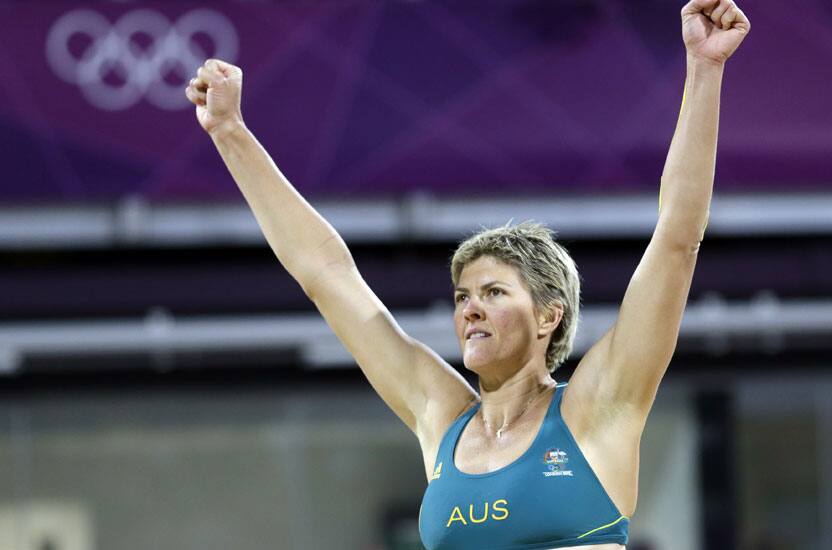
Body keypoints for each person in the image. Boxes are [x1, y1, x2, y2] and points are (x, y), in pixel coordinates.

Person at [184, 1, 749, 547]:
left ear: (550, 314)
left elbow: (677, 240)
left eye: (493, 293)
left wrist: (704, 68)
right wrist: (230, 131)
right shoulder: (440, 416)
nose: (468, 309)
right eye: (462, 297)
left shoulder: (598, 407)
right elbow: (326, 273)